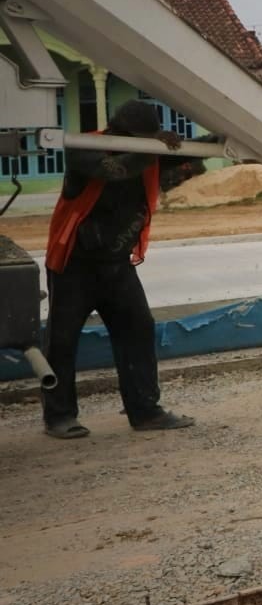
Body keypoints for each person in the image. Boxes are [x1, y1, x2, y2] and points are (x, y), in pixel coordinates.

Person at [42, 100, 208, 439]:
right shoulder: (84, 146)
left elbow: (197, 155)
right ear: (119, 131)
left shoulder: (147, 155)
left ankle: (145, 411)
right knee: (61, 339)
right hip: (74, 263)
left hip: (116, 264)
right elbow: (112, 170)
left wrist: (208, 141)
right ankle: (59, 417)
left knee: (138, 330)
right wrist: (154, 148)